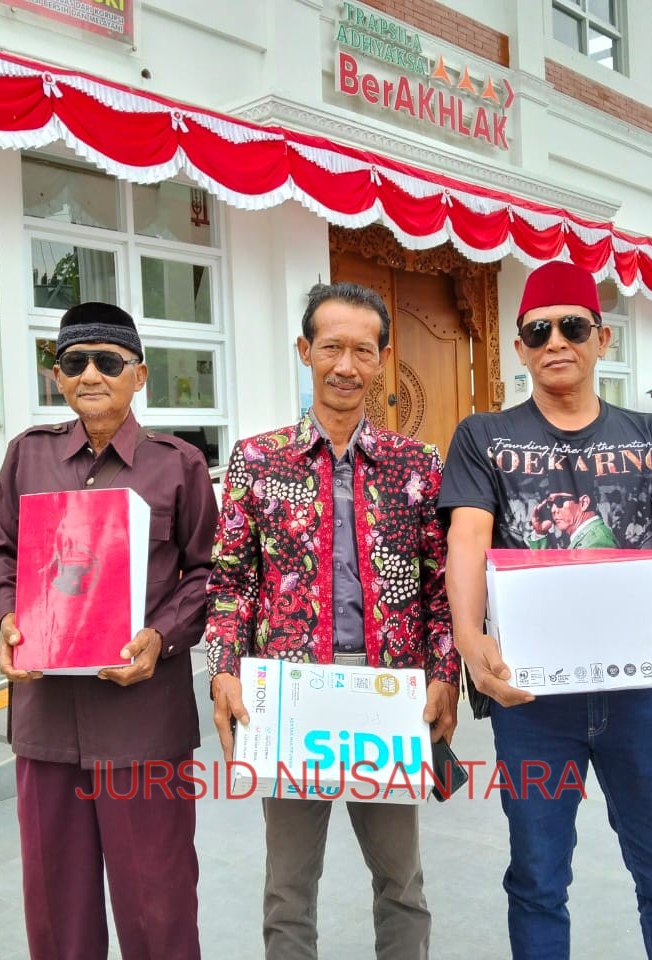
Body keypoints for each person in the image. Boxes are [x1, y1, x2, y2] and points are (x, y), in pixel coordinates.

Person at [439, 261, 652, 959]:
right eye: (538, 331)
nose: (556, 341)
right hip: (533, 702)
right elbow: (468, 537)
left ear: (602, 338)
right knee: (538, 880)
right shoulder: (483, 437)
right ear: (519, 348)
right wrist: (466, 637)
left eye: (573, 327)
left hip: (642, 695)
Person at [206, 282, 459, 960]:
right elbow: (230, 582)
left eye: (362, 351)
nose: (346, 365)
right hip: (290, 694)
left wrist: (445, 675)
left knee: (401, 882)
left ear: (381, 359)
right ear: (305, 350)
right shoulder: (257, 461)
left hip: (388, 691)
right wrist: (223, 672)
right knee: (289, 888)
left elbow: (439, 588)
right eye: (331, 348)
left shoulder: (416, 466)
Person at [0, 301, 217, 960]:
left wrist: (159, 637)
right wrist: (8, 619)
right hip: (47, 719)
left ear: (139, 375)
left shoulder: (178, 464)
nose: (90, 375)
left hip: (143, 721)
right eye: (74, 361)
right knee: (56, 910)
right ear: (57, 376)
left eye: (108, 362)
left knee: (158, 905)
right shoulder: (27, 457)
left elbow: (206, 574)